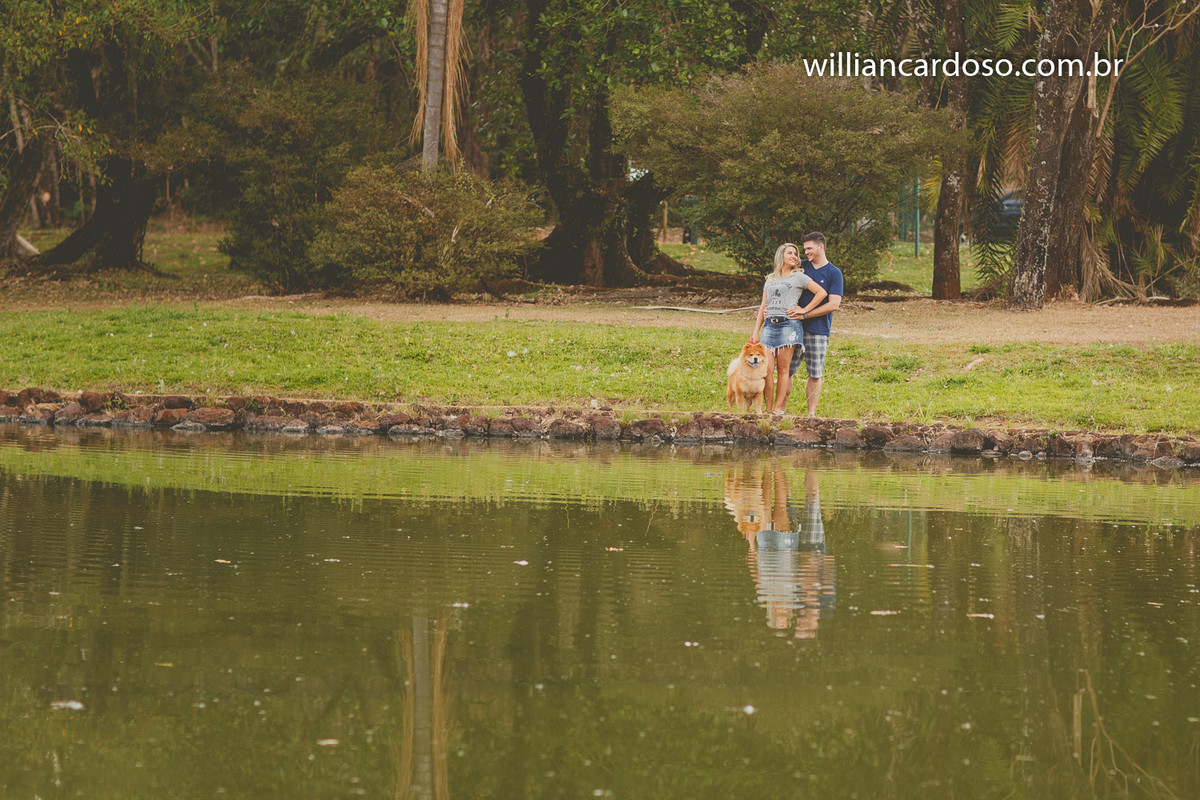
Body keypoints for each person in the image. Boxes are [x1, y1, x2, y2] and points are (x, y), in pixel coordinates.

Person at [751, 243, 828, 414]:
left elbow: (821, 293)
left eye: (796, 253)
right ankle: (768, 409)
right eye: (790, 253)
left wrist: (805, 310)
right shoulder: (770, 278)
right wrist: (756, 330)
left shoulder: (799, 277)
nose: (794, 256)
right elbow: (763, 305)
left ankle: (778, 409)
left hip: (789, 326)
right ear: (781, 256)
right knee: (767, 370)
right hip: (769, 326)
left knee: (783, 369)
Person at [786, 232, 843, 417]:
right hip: (793, 328)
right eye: (805, 249)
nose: (806, 252)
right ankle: (781, 410)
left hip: (818, 330)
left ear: (821, 247)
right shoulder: (801, 266)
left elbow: (834, 304)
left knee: (815, 373)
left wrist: (806, 313)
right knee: (787, 370)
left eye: (809, 248)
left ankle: (811, 415)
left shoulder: (834, 273)